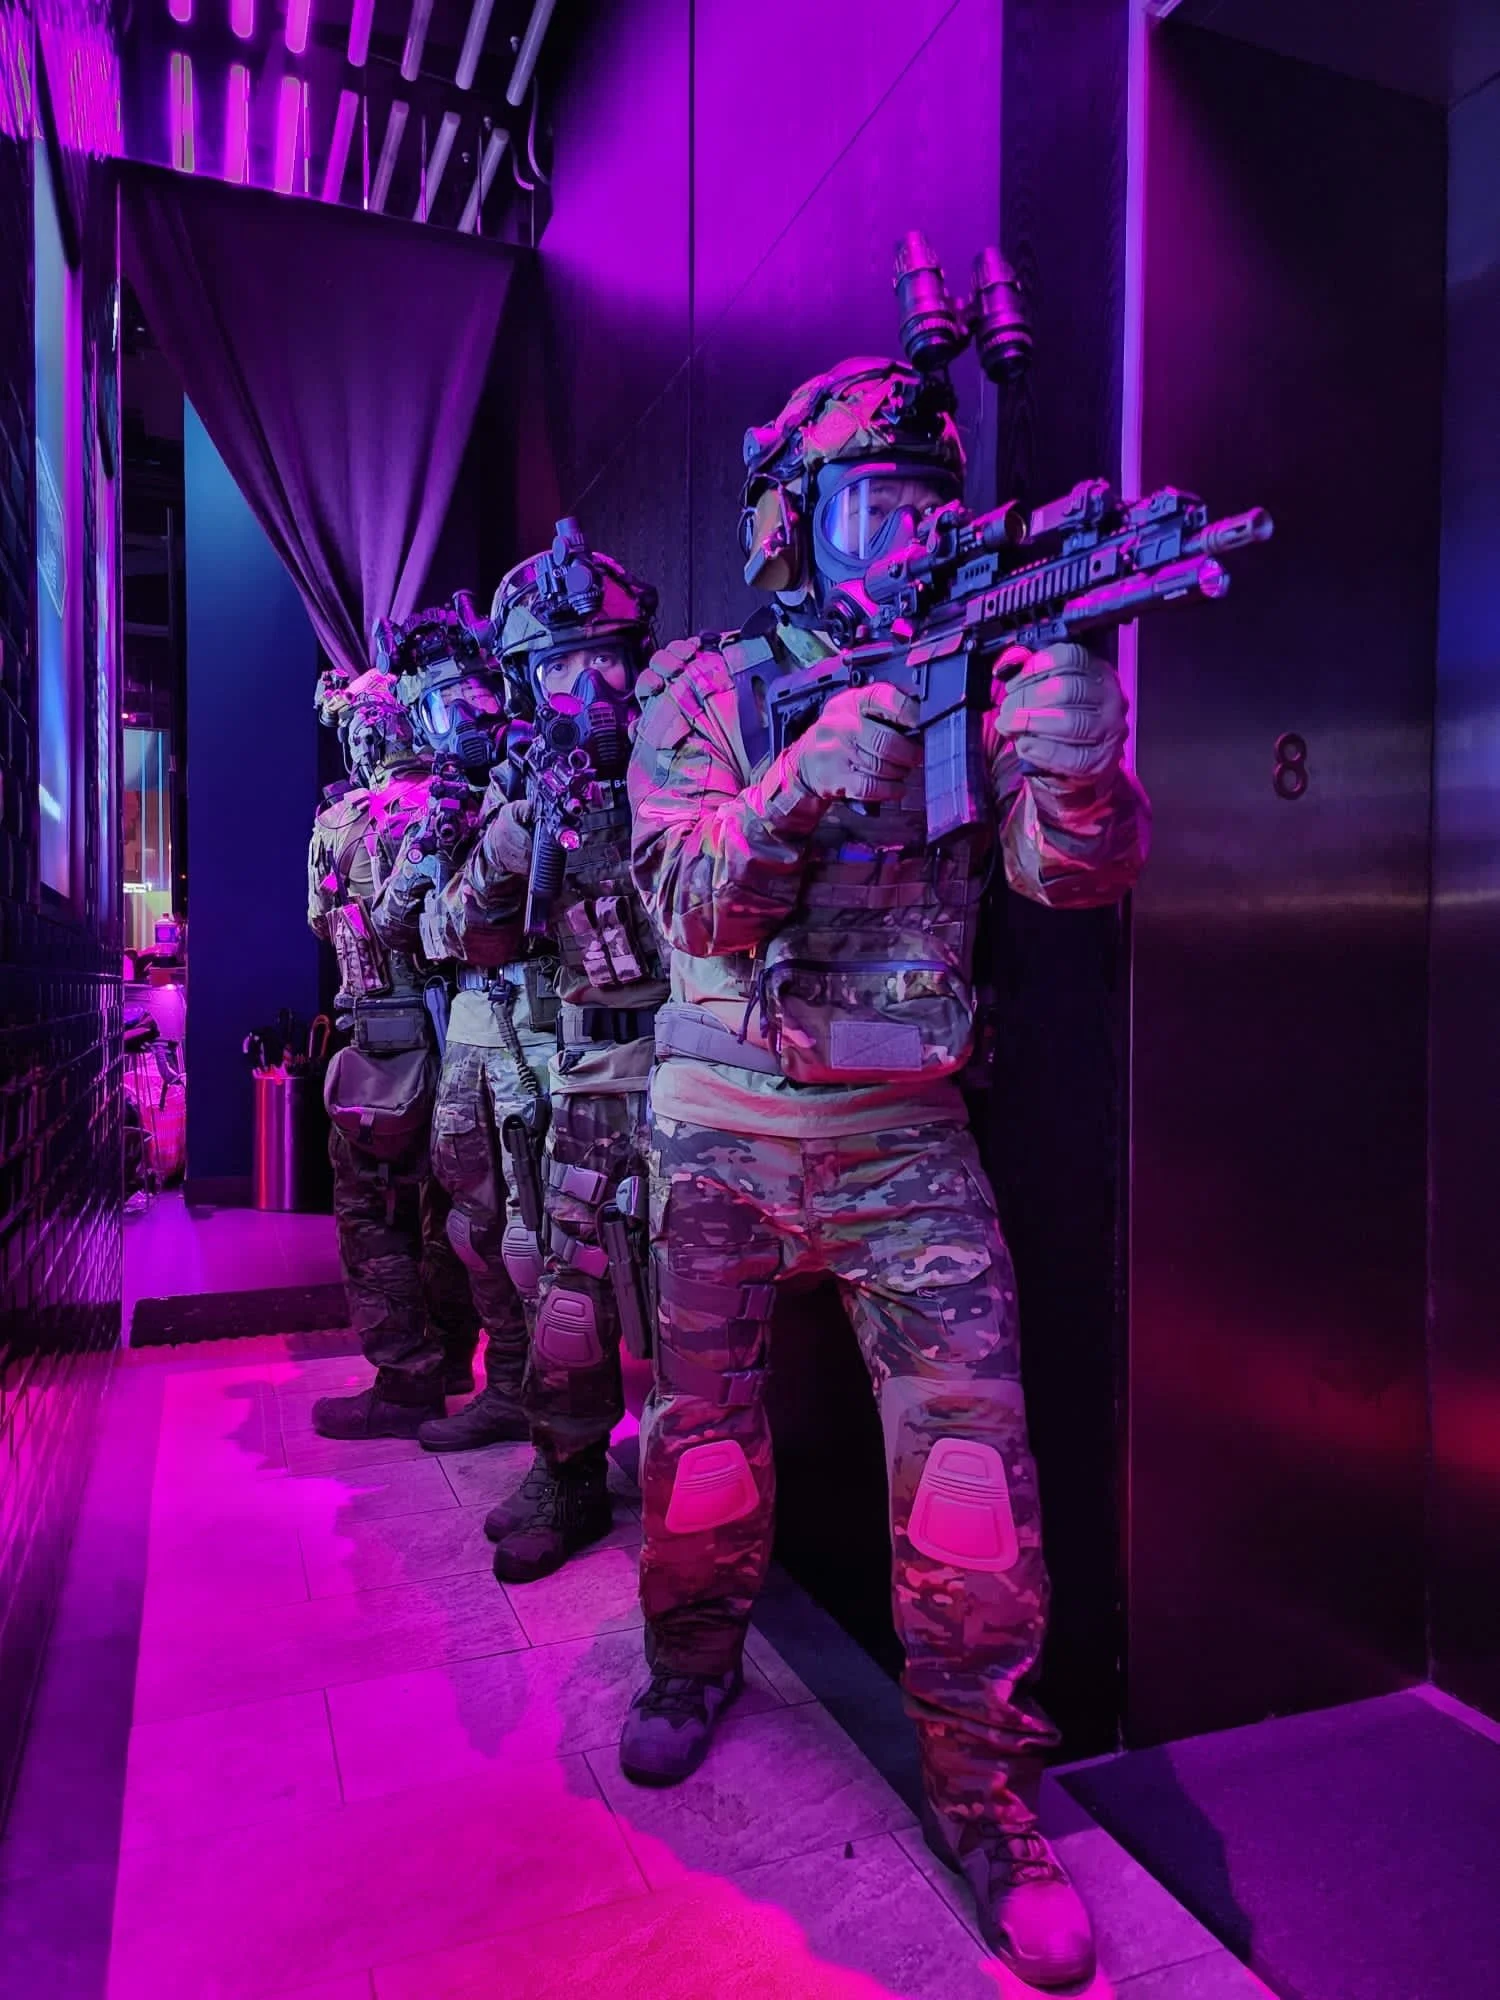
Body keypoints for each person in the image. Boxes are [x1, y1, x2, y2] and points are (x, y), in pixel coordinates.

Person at [621, 357, 1151, 1990]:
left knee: (972, 1481)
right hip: (719, 1121)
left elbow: (1074, 884)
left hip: (903, 1131)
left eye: (930, 508)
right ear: (791, 526)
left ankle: (989, 1797)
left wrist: (1073, 766)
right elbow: (687, 903)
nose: (904, 540)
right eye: (873, 509)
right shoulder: (700, 685)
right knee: (702, 1448)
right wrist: (803, 781)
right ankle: (695, 1661)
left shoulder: (964, 669)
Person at [417, 525, 666, 1579]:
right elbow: (460, 931)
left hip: (703, 1065)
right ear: (526, 677)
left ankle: (693, 1490)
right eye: (561, 661)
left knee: (701, 1308)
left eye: (605, 654)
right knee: (567, 1288)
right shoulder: (522, 792)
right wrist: (523, 822)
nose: (589, 681)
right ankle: (567, 1468)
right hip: (590, 1072)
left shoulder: (688, 747)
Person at [371, 600, 554, 1455]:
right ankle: (511, 1383)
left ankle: (564, 1409)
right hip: (472, 1020)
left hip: (547, 1018)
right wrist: (429, 845)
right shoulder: (439, 803)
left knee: (550, 1227)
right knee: (471, 1221)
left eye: (481, 693)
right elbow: (389, 921)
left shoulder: (537, 768)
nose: (472, 717)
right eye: (450, 704)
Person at [307, 660, 480, 1440]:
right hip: (472, 1038)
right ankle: (453, 1359)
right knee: (458, 1211)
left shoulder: (344, 822)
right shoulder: (463, 804)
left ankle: (405, 1376)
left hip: (383, 1048)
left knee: (373, 1214)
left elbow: (321, 924)